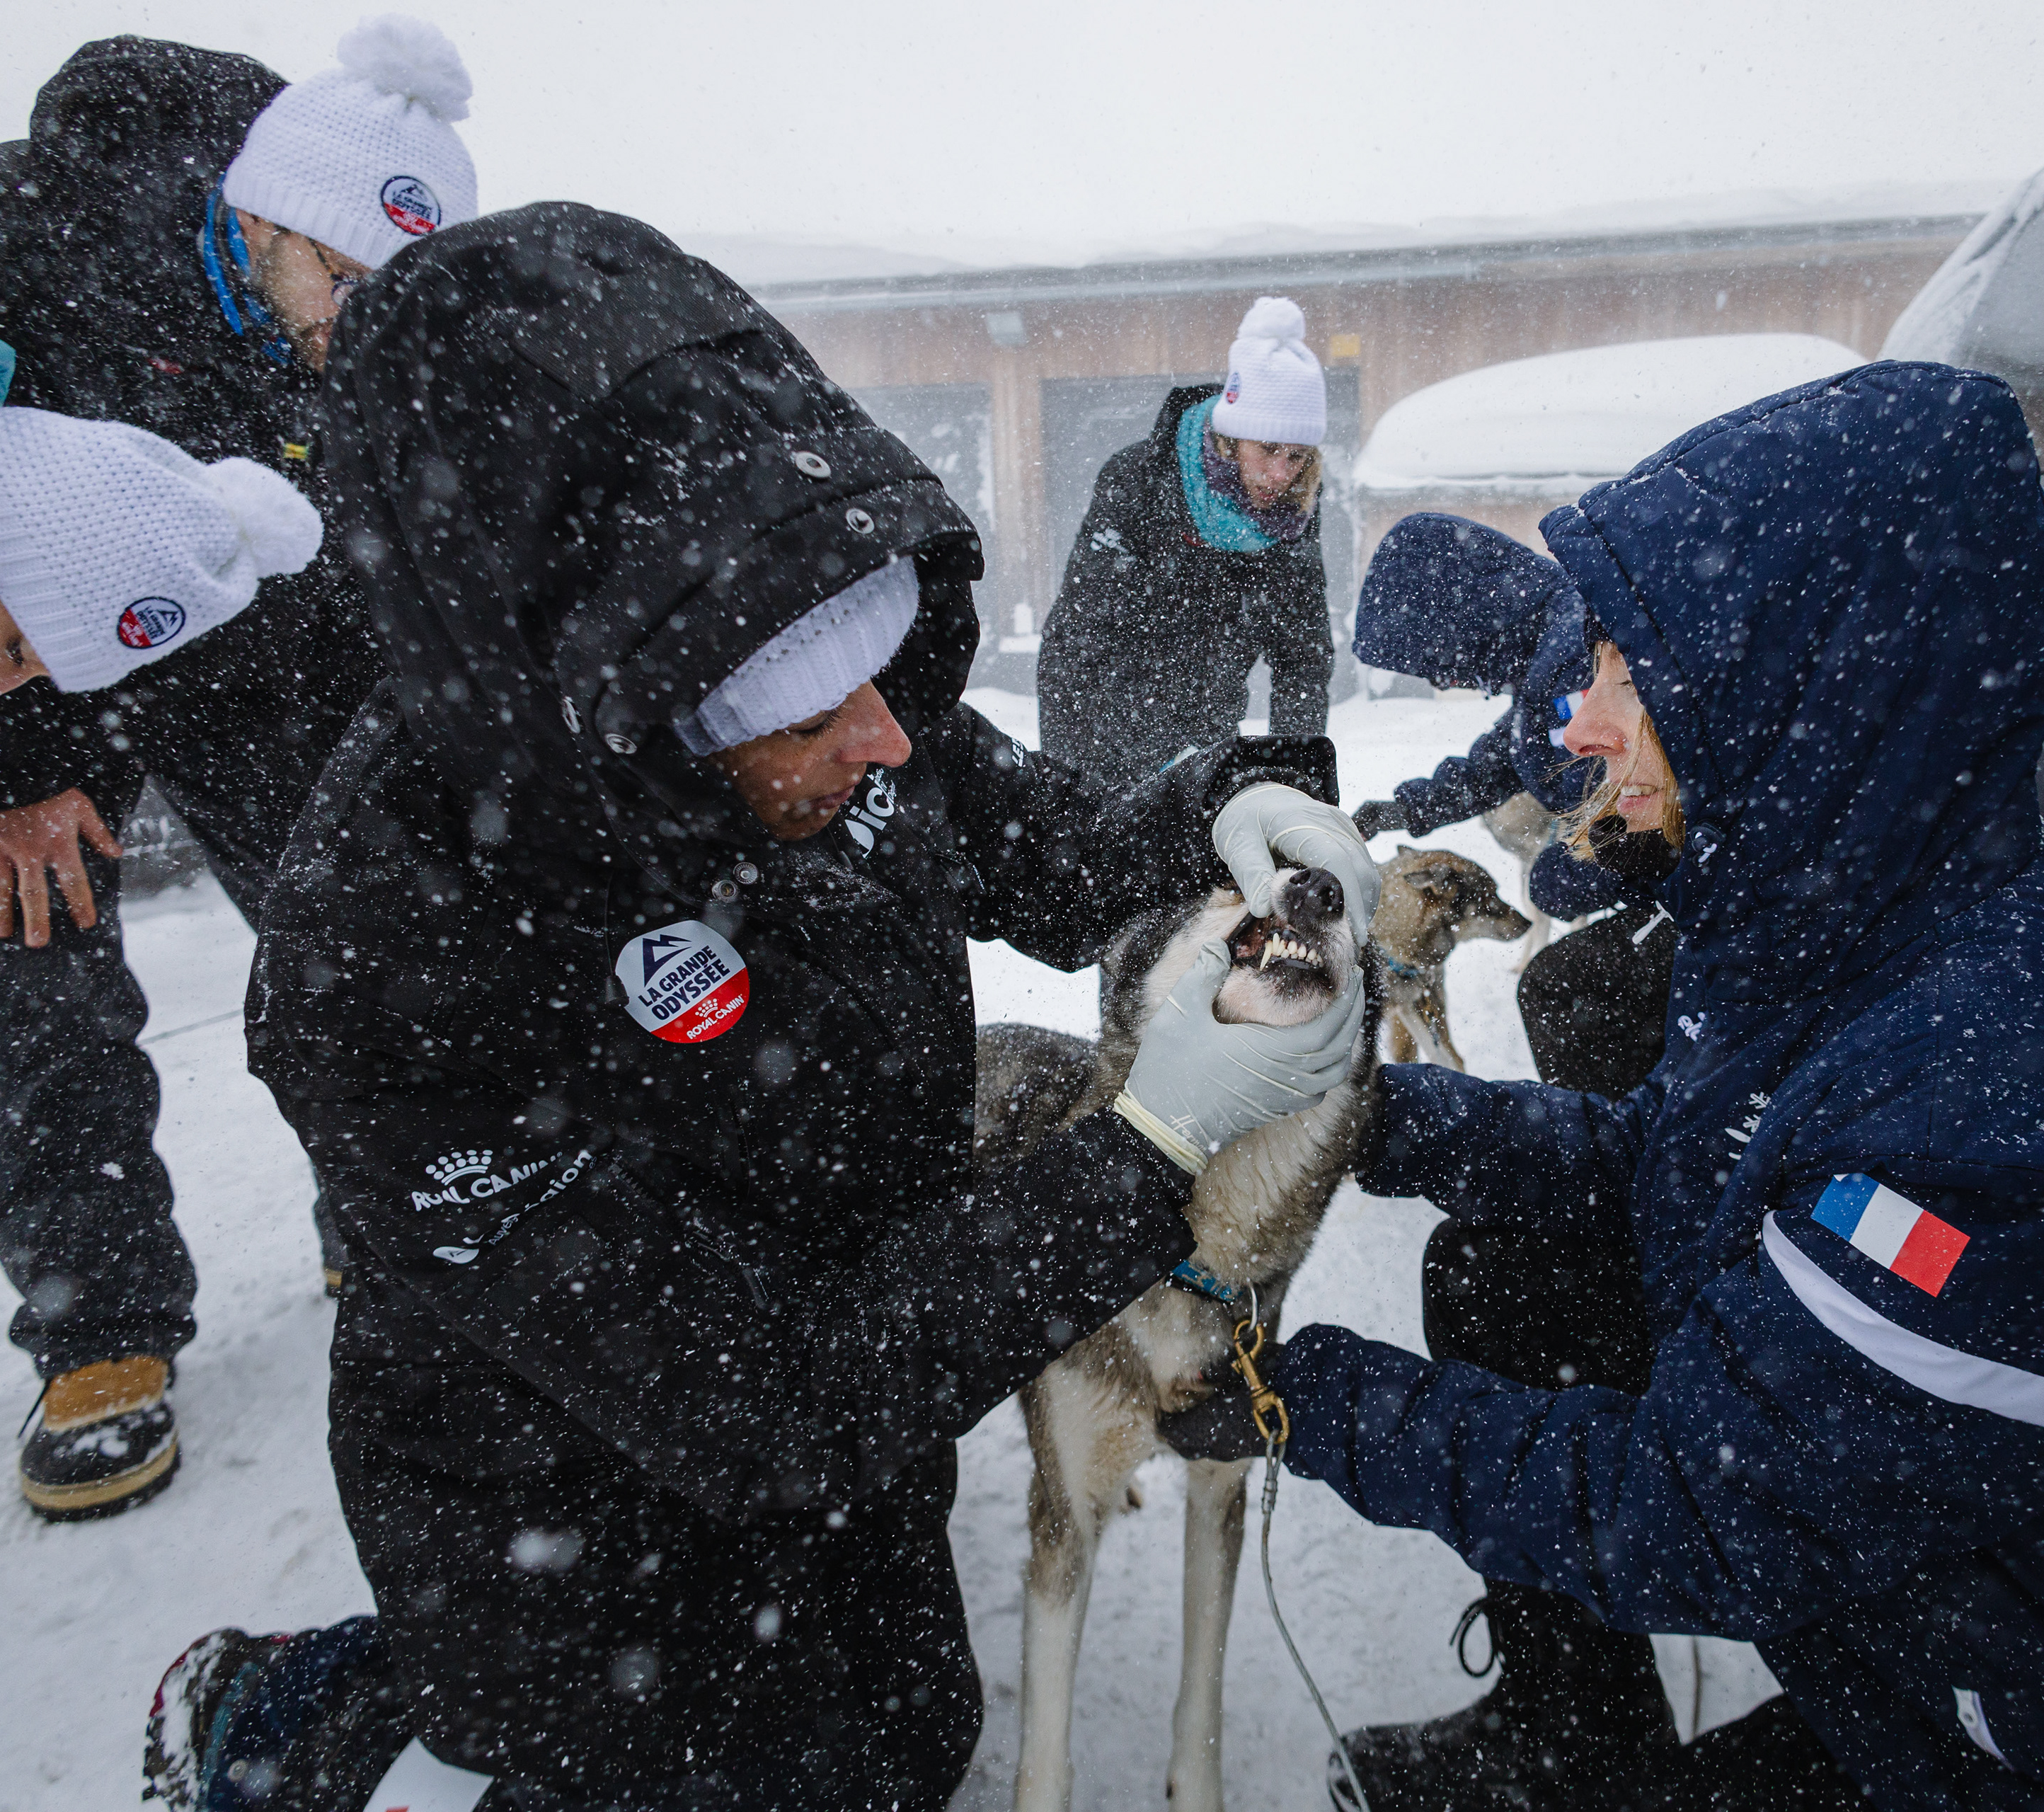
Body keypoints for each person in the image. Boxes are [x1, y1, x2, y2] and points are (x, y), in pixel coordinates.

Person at [142, 203, 1382, 1812]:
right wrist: (1144, 1148)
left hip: (848, 1409)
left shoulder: (827, 712)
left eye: (887, 676)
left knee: (900, 1745)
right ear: (627, 708)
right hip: (585, 1497)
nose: (888, 738)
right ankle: (321, 1717)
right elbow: (764, 1396)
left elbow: (1044, 844)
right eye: (821, 707)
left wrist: (1225, 801)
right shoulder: (399, 958)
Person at [1166, 364, 2044, 1811]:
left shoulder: (2010, 1130)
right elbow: (1683, 1163)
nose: (1574, 724)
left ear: (1799, 681)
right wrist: (1372, 1117)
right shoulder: (1850, 911)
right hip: (1966, 1611)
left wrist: (1293, 1396)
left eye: (1631, 672)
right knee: (1516, 1276)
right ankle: (1572, 1730)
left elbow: (1687, 1507)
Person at [0, 18, 477, 1519]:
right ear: (264, 218)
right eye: (336, 279)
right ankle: (100, 1324)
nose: (356, 314)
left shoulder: (358, 293)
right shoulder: (1, 225)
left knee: (350, 942)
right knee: (39, 972)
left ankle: (386, 1199)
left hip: (260, 664)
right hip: (11, 676)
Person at [1346, 509, 1680, 1095]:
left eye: (1434, 664)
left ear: (1461, 620)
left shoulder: (1570, 667)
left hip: (1701, 891)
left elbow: (1637, 815)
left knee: (1559, 987)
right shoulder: (1553, 644)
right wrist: (1404, 809)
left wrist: (1578, 873)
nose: (1447, 684)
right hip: (1691, 883)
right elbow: (1497, 763)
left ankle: (1615, 1147)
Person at [1036, 294, 1333, 786]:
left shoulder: (1292, 517)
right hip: (1106, 740)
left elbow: (1302, 658)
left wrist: (1293, 782)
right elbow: (1078, 641)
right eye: (1269, 449)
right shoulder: (1140, 482)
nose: (1281, 474)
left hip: (1208, 740)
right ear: (1232, 436)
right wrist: (1079, 788)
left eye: (1298, 456)